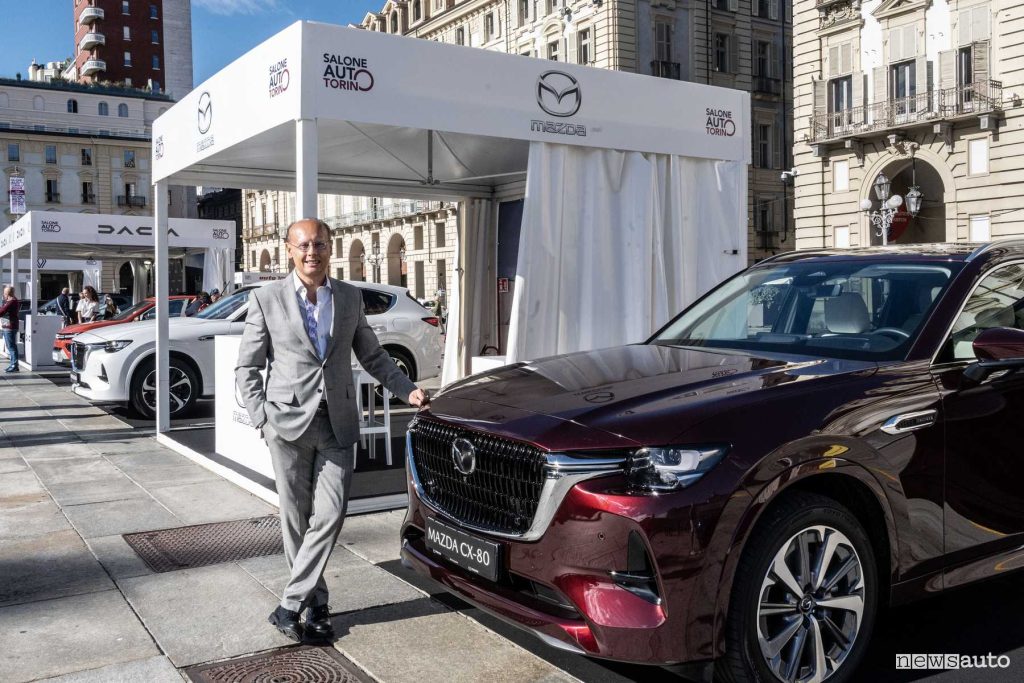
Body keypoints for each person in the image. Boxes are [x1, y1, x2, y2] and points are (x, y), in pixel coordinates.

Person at [236, 218, 428, 643]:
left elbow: (374, 356)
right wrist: (261, 419)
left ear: (330, 248)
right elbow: (247, 366)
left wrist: (407, 390)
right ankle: (317, 604)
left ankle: (289, 603)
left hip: (338, 421)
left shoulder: (349, 297)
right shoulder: (266, 299)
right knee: (296, 518)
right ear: (289, 249)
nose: (312, 253)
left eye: (320, 244)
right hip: (286, 424)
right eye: (303, 245)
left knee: (331, 514)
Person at [0, 286, 21, 373]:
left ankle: (14, 365)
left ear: (7, 293)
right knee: (11, 346)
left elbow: (1, 312)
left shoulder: (11, 302)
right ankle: (13, 364)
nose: (3, 295)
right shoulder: (11, 301)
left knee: (11, 347)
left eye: (4, 293)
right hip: (8, 326)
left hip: (10, 327)